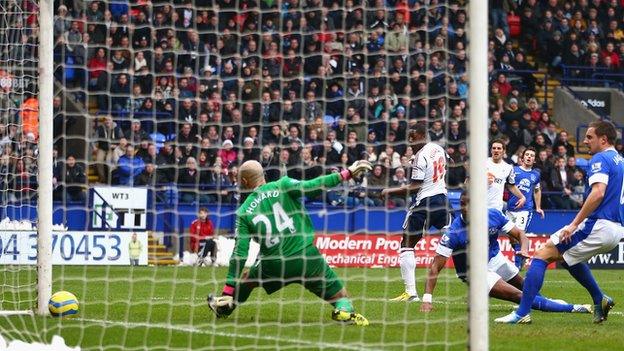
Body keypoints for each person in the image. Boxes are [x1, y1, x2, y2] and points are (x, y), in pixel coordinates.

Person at [208, 159, 372, 325]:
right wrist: (347, 173)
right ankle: (344, 311)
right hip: (306, 256)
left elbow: (240, 254)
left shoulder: (243, 212)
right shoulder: (283, 184)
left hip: (274, 264)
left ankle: (225, 306)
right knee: (341, 296)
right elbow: (314, 185)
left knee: (247, 280)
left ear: (243, 181)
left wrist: (228, 289)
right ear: (263, 174)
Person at [496, 121, 624, 324]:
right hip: (615, 229)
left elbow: (598, 193)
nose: (585, 140)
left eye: (589, 137)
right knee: (565, 257)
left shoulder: (601, 158)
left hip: (599, 224)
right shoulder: (621, 161)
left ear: (604, 139)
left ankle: (522, 313)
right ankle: (600, 299)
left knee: (542, 255)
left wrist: (574, 224)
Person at [420, 192, 590, 314]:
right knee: (519, 296)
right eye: (463, 204)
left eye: (470, 203)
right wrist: (427, 299)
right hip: (474, 271)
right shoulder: (453, 232)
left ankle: (548, 303)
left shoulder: (493, 215)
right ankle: (573, 308)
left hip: (494, 259)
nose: (465, 208)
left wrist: (523, 249)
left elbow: (519, 234)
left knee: (529, 288)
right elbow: (435, 266)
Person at [380, 124, 449, 302]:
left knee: (406, 244)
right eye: (409, 137)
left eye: (413, 136)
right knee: (455, 241)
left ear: (422, 135)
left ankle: (410, 293)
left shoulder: (420, 156)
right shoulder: (438, 148)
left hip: (424, 203)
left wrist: (389, 191)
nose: (410, 141)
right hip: (442, 200)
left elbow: (415, 186)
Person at [506, 147, 544, 269]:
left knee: (519, 233)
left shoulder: (535, 174)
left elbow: (537, 190)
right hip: (510, 208)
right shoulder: (513, 170)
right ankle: (521, 255)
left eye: (532, 155)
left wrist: (538, 207)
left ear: (534, 160)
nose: (529, 157)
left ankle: (516, 266)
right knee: (512, 238)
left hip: (525, 210)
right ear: (522, 158)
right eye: (527, 155)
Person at [487, 139, 526, 212]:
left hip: (496, 208)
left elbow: (511, 185)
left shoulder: (508, 168)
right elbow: (467, 182)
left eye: (499, 148)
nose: (496, 150)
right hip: (480, 207)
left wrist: (522, 197)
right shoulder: (482, 163)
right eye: (494, 148)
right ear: (491, 150)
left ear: (504, 151)